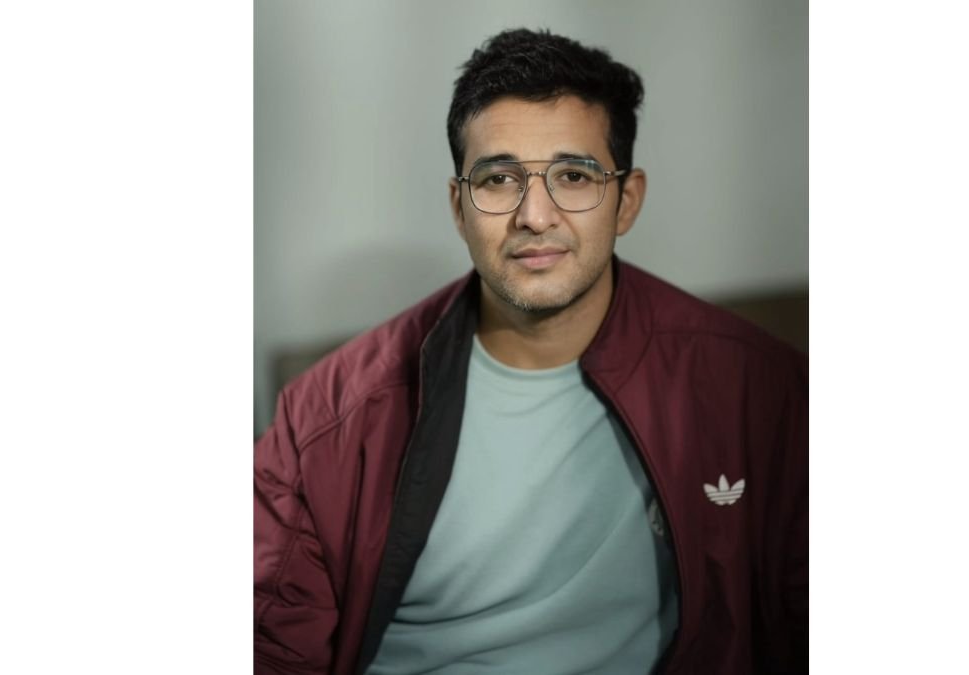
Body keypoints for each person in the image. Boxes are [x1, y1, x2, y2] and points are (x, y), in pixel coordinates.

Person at [255, 28, 807, 675]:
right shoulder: (323, 422)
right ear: (459, 207)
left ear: (626, 202)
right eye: (499, 179)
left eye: (574, 176)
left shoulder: (760, 392)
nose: (535, 216)